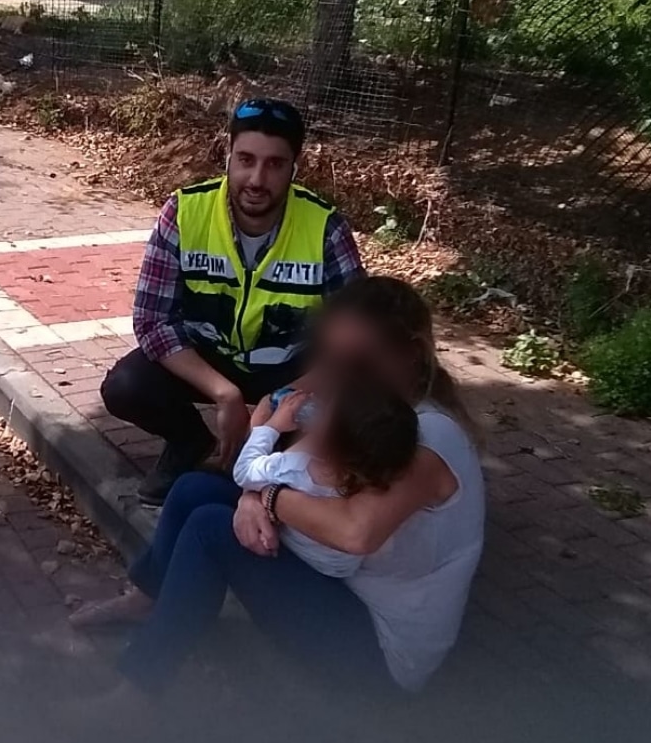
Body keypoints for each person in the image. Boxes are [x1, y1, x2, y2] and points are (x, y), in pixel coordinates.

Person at [69, 277, 486, 712]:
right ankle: (147, 600)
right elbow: (275, 406)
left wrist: (265, 498)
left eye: (358, 363)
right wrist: (252, 495)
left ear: (411, 354)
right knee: (194, 488)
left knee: (211, 529)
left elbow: (355, 531)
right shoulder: (362, 392)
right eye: (332, 358)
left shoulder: (428, 436)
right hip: (337, 578)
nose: (339, 377)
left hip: (380, 651)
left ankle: (136, 693)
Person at [101, 98, 365, 506]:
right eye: (246, 159)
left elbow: (356, 339)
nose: (256, 179)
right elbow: (153, 321)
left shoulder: (326, 228)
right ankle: (189, 441)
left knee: (354, 410)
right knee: (126, 385)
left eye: (275, 164)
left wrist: (275, 407)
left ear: (294, 168)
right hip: (210, 359)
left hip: (291, 369)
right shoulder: (184, 211)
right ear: (228, 154)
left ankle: (280, 459)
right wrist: (224, 393)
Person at [231, 378, 419, 579]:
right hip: (338, 570)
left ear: (323, 439)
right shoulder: (373, 480)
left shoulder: (294, 469)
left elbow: (243, 471)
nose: (317, 402)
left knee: (211, 517)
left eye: (326, 408)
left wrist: (273, 426)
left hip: (292, 556)